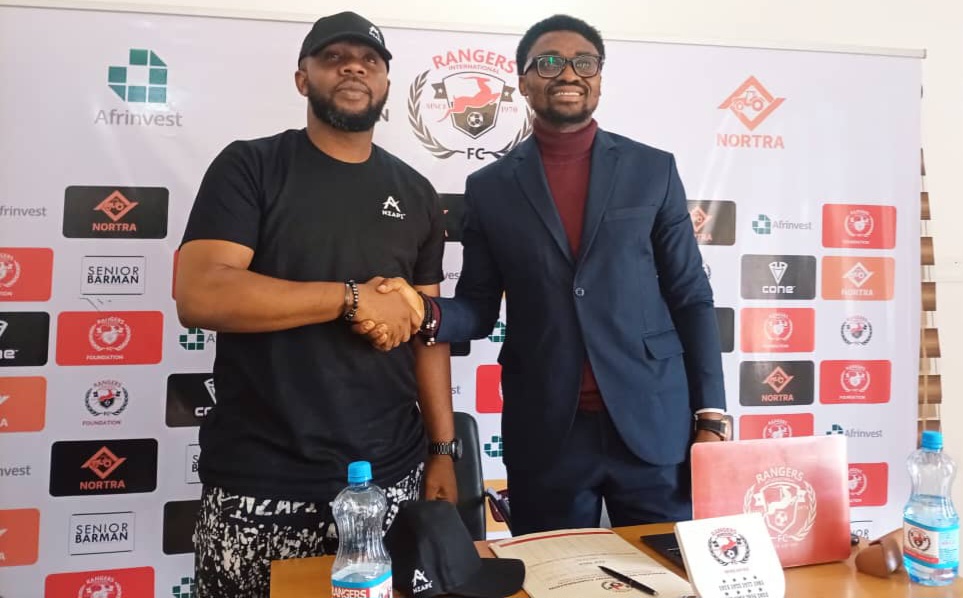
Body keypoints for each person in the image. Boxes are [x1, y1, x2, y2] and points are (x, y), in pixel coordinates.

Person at [361, 14, 727, 535]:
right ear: (523, 81)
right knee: (552, 572)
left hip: (653, 424)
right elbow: (479, 307)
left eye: (585, 62)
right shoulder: (490, 187)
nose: (569, 73)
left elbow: (690, 296)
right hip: (547, 432)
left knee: (665, 570)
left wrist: (711, 414)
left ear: (599, 77)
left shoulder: (653, 170)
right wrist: (422, 311)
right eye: (549, 62)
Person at [174, 11, 457, 597]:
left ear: (386, 84)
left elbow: (428, 330)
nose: (354, 67)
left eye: (370, 61)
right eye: (334, 58)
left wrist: (442, 451)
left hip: (391, 475)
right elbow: (200, 292)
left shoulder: (416, 193)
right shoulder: (250, 166)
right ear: (302, 78)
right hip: (261, 481)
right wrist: (351, 299)